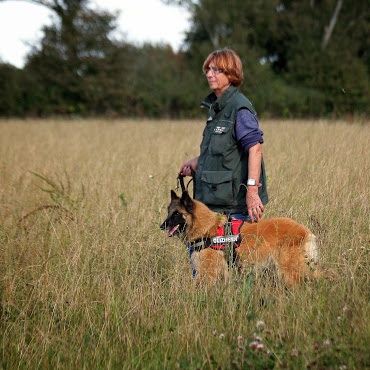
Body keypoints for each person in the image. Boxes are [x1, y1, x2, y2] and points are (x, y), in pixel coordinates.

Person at [179, 48, 268, 224]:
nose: (209, 75)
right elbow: (223, 150)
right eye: (208, 70)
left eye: (216, 70)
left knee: (230, 252)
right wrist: (198, 162)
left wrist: (252, 192)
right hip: (212, 202)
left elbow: (255, 149)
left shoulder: (239, 108)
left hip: (234, 208)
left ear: (231, 73)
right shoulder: (217, 108)